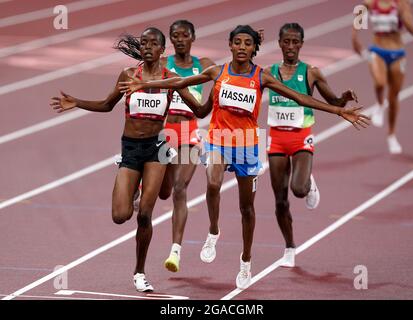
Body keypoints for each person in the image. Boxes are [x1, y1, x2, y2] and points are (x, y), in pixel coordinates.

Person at [119, 25, 370, 289]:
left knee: (246, 209)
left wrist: (338, 111)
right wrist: (145, 83)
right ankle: (214, 231)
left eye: (247, 43)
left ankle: (246, 260)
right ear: (230, 45)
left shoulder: (261, 77)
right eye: (236, 42)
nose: (241, 47)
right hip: (219, 139)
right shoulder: (218, 72)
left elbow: (299, 97)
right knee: (213, 182)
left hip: (247, 144)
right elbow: (179, 82)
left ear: (253, 48)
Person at [50, 27, 206, 292]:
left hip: (156, 148)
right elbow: (107, 104)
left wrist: (218, 91)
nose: (146, 47)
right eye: (143, 42)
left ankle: (140, 272)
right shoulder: (128, 74)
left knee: (145, 215)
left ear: (161, 50)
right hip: (131, 148)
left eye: (153, 43)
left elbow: (201, 110)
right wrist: (76, 102)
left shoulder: (171, 79)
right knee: (120, 215)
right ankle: (133, 184)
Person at [266, 23, 358, 268]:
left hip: (300, 137)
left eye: (296, 42)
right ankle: (289, 247)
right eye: (287, 41)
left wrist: (344, 99)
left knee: (297, 189)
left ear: (301, 45)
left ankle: (308, 182)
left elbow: (333, 100)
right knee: (280, 200)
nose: (291, 47)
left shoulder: (311, 72)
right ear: (280, 44)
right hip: (276, 138)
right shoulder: (268, 72)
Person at [158, 20, 215, 273]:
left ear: (193, 37)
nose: (179, 40)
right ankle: (140, 186)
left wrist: (252, 46)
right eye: (175, 36)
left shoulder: (202, 64)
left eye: (184, 35)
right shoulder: (163, 64)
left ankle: (175, 251)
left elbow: (228, 71)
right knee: (164, 193)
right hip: (166, 133)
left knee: (181, 188)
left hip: (190, 132)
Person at [352, 0, 413, 154]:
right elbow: (360, 12)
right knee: (380, 83)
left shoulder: (401, 3)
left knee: (394, 97)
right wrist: (355, 36)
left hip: (397, 53)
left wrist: (403, 14)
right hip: (377, 50)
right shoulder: (371, 2)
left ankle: (391, 135)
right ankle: (380, 105)